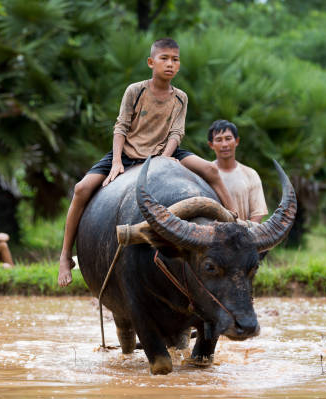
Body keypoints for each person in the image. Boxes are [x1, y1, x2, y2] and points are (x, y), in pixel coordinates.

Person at [58, 38, 236, 287]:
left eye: (175, 59)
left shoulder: (181, 97)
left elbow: (176, 132)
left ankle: (237, 225)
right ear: (151, 62)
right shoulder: (136, 90)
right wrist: (117, 161)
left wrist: (164, 159)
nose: (170, 64)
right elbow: (121, 126)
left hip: (166, 152)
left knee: (210, 170)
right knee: (81, 189)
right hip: (129, 151)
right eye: (164, 58)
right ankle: (66, 255)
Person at [207, 119, 268, 223]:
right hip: (212, 236)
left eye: (228, 138)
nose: (224, 144)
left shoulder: (251, 174)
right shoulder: (205, 172)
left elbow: (257, 214)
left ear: (236, 141)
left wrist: (246, 234)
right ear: (211, 145)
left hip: (242, 236)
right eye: (219, 140)